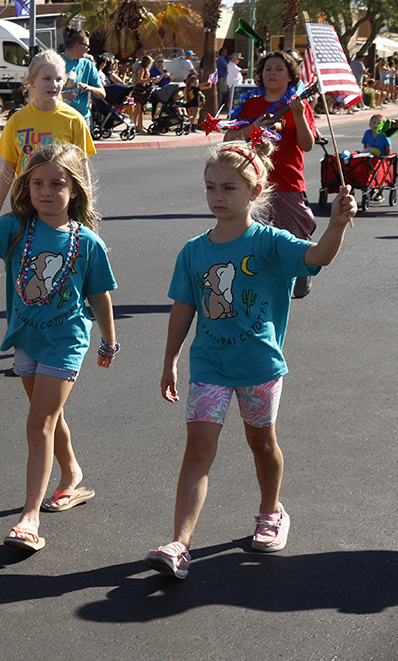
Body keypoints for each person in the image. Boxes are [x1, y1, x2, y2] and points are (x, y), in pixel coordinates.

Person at [143, 140, 356, 580]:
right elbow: (184, 307)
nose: (217, 197)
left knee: (262, 445)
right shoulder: (193, 251)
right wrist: (170, 360)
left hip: (259, 366)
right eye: (210, 187)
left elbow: (317, 257)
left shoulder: (271, 243)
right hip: (210, 366)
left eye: (229, 188)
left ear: (255, 189)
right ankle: (179, 544)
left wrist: (335, 226)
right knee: (198, 449)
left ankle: (270, 511)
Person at [0, 143, 118, 552]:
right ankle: (71, 474)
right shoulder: (17, 229)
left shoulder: (87, 243)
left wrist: (109, 340)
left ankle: (29, 519)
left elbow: (101, 295)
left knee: (39, 424)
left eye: (57, 184)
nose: (46, 191)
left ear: (75, 190)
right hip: (27, 340)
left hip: (66, 342)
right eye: (37, 183)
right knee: (48, 417)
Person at [224, 51, 317, 298]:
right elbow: (228, 138)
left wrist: (298, 114)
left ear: (290, 76)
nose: (272, 73)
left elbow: (307, 145)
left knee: (296, 232)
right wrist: (254, 127)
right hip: (252, 181)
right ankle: (259, 281)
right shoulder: (250, 104)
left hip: (288, 180)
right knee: (254, 234)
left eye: (278, 69)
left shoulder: (300, 104)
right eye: (267, 69)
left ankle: (303, 269)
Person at [0, 50, 95, 217]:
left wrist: (86, 207)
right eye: (47, 78)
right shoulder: (17, 121)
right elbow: (8, 170)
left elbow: (82, 167)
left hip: (62, 208)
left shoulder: (74, 120)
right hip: (25, 205)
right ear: (31, 81)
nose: (53, 84)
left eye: (59, 79)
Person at [60, 28, 105, 124]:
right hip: (60, 118)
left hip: (82, 119)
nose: (89, 49)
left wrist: (89, 88)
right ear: (77, 45)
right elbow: (41, 93)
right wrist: (61, 95)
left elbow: (102, 94)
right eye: (87, 46)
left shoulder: (88, 65)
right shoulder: (56, 62)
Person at [131, 55, 154, 130]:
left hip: (144, 88)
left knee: (138, 110)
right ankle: (140, 127)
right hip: (139, 89)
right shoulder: (141, 69)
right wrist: (149, 79)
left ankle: (135, 126)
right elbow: (139, 80)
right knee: (140, 110)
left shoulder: (145, 69)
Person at [216, 47, 230, 112]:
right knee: (221, 92)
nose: (226, 53)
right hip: (222, 77)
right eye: (225, 52)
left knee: (221, 92)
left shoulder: (219, 59)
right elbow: (225, 67)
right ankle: (219, 106)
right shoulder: (221, 59)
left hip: (220, 76)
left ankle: (220, 105)